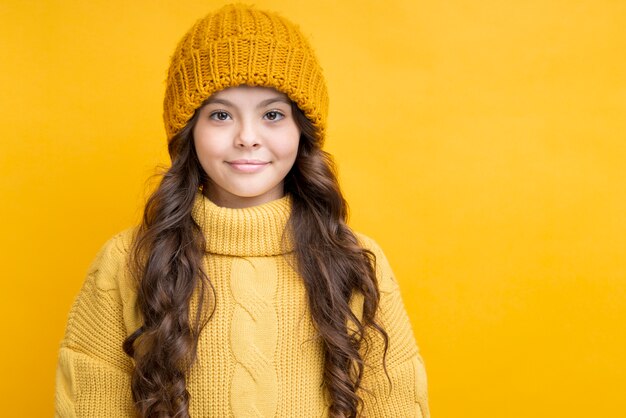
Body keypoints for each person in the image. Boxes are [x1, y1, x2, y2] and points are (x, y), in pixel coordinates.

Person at [55, 4, 430, 418]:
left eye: (272, 115)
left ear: (300, 130)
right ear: (188, 131)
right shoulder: (127, 262)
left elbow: (394, 405)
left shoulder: (353, 261)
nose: (248, 137)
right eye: (220, 115)